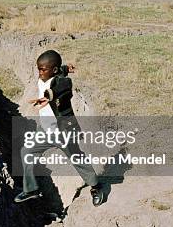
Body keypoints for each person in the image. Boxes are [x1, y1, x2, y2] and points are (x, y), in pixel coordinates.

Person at [14, 50, 105, 207]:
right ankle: (31, 189)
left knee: (77, 159)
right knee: (26, 152)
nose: (40, 73)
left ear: (53, 71)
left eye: (42, 69)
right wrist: (66, 68)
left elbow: (61, 87)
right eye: (39, 69)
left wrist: (48, 96)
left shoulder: (62, 83)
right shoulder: (47, 74)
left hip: (63, 133)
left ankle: (96, 187)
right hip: (45, 131)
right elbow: (58, 69)